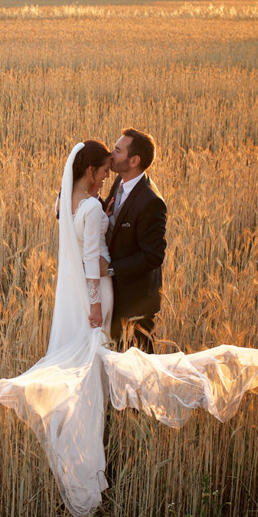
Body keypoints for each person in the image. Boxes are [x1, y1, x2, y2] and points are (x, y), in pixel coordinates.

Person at [0, 141, 258, 517]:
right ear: (92, 172)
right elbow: (94, 255)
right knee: (99, 367)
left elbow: (145, 254)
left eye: (118, 152)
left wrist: (100, 279)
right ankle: (96, 449)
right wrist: (96, 302)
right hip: (97, 297)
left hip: (107, 297)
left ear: (134, 160)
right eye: (105, 162)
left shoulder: (78, 198)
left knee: (90, 367)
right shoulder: (97, 201)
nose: (111, 164)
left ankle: (91, 443)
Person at [104, 128, 165, 353]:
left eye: (118, 150)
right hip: (114, 295)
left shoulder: (151, 202)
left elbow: (153, 255)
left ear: (134, 160)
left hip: (136, 302)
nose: (112, 153)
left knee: (137, 376)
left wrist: (110, 269)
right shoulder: (120, 182)